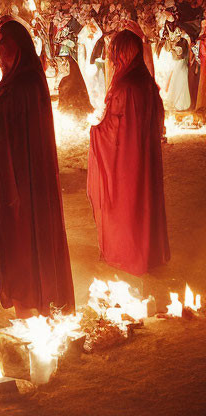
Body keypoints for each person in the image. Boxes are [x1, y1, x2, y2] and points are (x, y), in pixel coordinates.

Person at [0, 20, 74, 317]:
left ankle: (37, 300)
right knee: (17, 239)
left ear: (18, 49)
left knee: (27, 236)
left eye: (4, 48)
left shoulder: (27, 83)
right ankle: (27, 302)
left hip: (25, 177)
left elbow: (4, 123)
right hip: (11, 176)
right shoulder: (13, 83)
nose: (0, 55)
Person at [87, 30, 169, 275]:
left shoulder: (125, 87)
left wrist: (95, 130)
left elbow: (114, 127)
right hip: (146, 157)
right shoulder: (147, 83)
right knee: (145, 199)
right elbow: (158, 122)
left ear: (123, 55)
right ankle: (149, 252)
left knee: (127, 202)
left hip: (125, 161)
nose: (113, 60)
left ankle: (128, 251)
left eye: (115, 54)